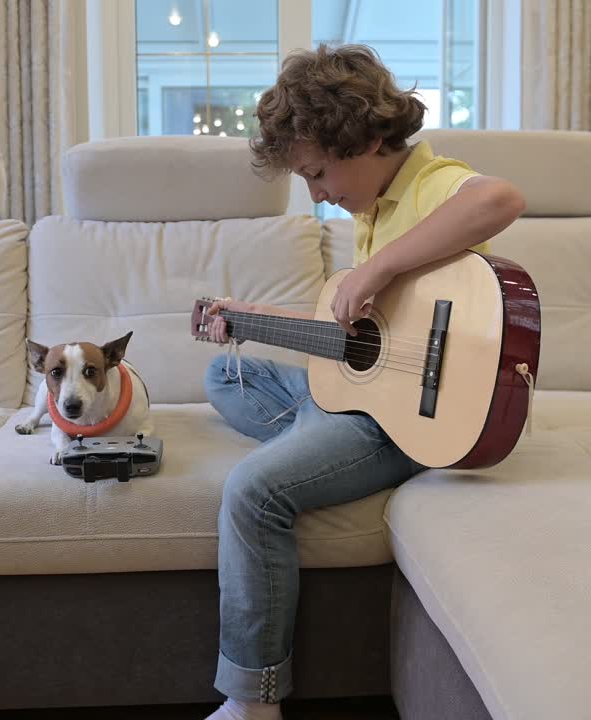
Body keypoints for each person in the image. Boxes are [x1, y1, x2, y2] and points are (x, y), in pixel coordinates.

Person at [200, 44, 526, 720]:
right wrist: (256, 320)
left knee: (252, 490)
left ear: (369, 137)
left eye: (318, 174)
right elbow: (364, 336)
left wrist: (372, 273)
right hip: (369, 396)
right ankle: (318, 431)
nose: (317, 194)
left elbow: (500, 199)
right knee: (227, 371)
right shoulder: (370, 212)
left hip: (406, 424)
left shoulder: (433, 184)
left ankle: (251, 702)